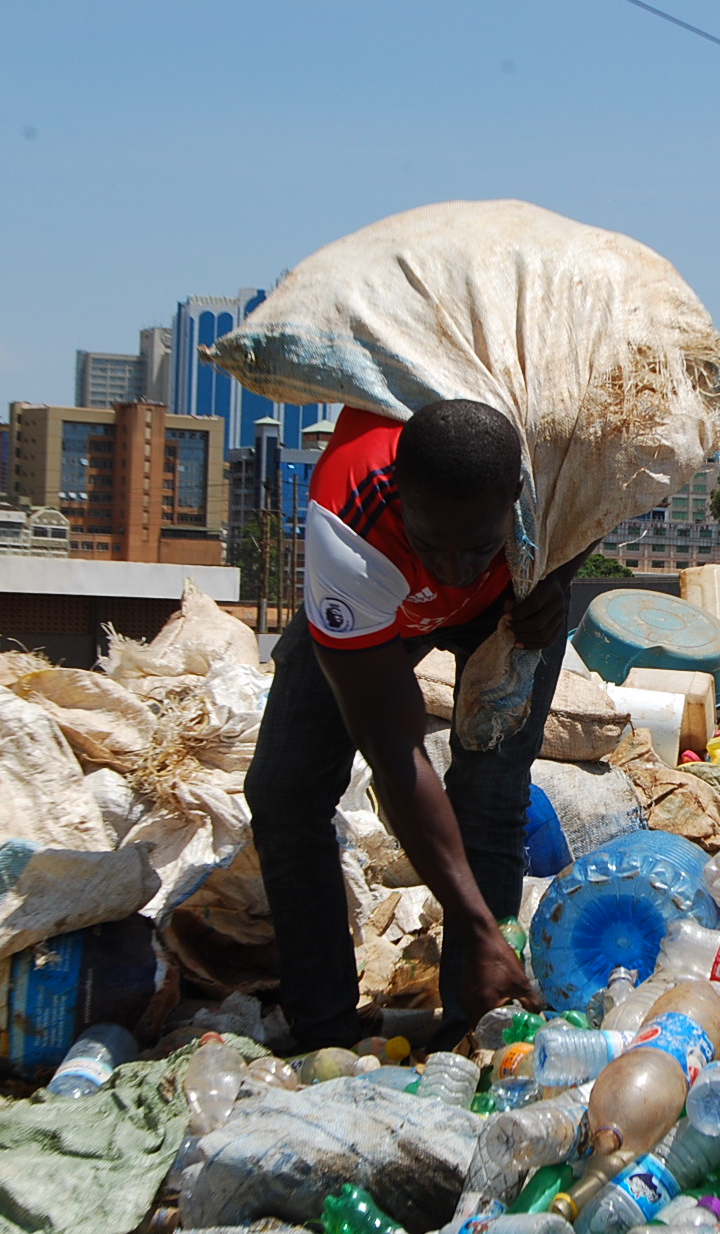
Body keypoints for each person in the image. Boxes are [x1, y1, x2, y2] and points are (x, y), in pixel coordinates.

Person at [247, 398, 589, 1051]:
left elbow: (608, 496)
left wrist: (553, 579)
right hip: (384, 605)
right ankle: (326, 1033)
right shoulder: (347, 529)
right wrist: (480, 926)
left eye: (475, 548)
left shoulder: (553, 467)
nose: (454, 571)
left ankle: (473, 1028)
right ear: (403, 495)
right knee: (285, 790)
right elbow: (394, 749)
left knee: (489, 795)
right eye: (434, 544)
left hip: (512, 605)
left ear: (515, 494)